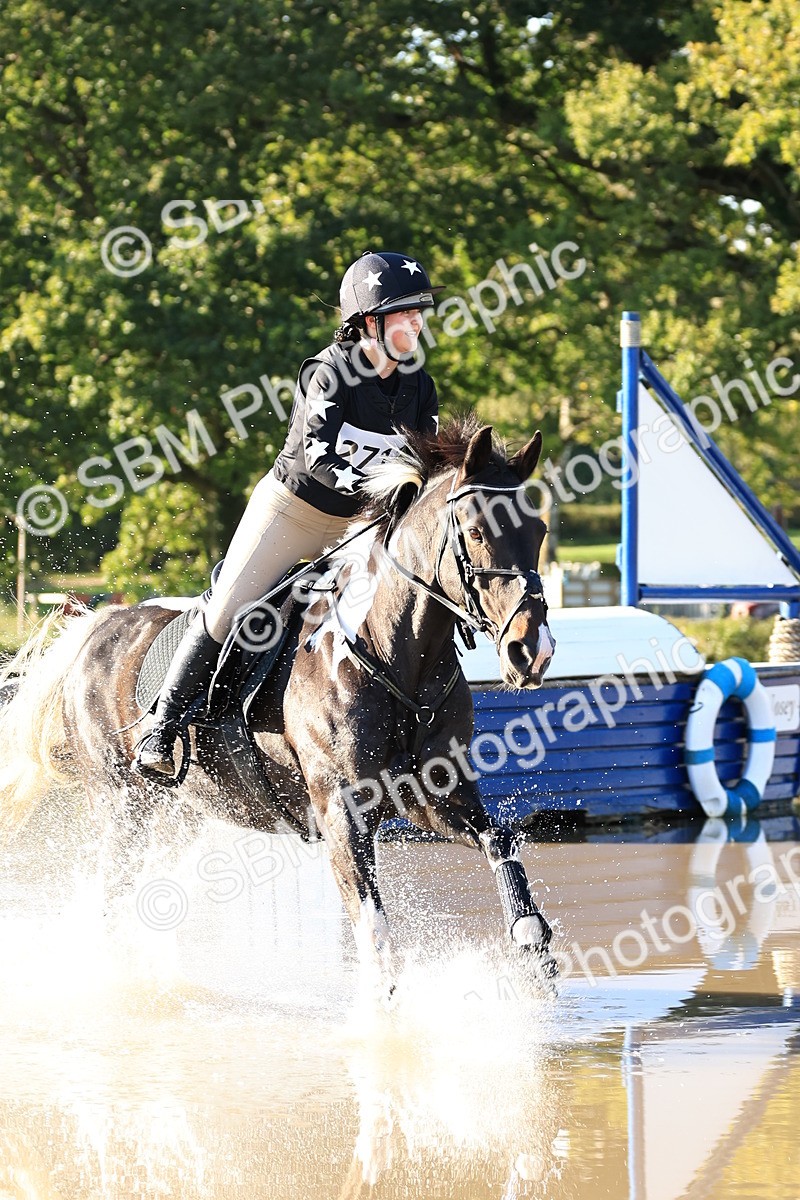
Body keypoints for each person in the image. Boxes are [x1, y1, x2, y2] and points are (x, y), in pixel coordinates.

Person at [134, 250, 442, 777]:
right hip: (294, 510)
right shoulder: (329, 373)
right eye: (406, 312)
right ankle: (160, 726)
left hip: (357, 522)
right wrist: (380, 488)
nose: (419, 322)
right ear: (370, 322)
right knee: (230, 606)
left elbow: (428, 465)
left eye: (419, 312)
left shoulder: (421, 386)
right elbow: (320, 458)